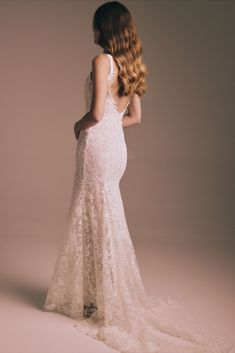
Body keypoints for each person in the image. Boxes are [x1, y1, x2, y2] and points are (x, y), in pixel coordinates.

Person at [43, 2, 234, 353]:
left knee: (93, 215)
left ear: (105, 29)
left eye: (95, 26)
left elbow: (97, 112)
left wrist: (77, 125)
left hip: (98, 146)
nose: (93, 33)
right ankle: (104, 295)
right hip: (117, 149)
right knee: (107, 215)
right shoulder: (131, 65)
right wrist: (111, 126)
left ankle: (100, 300)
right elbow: (135, 117)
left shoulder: (102, 61)